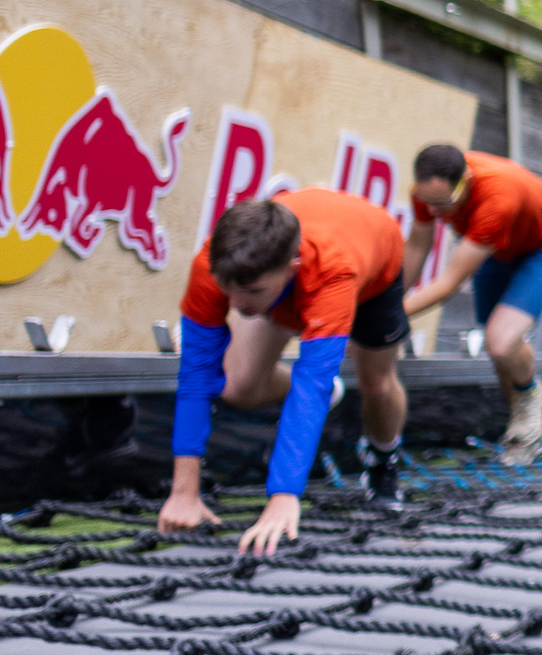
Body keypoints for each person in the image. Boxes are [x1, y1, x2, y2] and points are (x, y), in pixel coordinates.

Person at [158, 189, 415, 557]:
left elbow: (312, 384)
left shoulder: (333, 272)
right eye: (226, 290)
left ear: (290, 269)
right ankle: (335, 398)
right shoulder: (214, 268)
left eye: (249, 291)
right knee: (240, 385)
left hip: (374, 268)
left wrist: (283, 496)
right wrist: (184, 492)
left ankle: (383, 457)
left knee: (375, 384)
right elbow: (197, 374)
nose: (235, 304)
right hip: (287, 287)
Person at [402, 144, 542, 462]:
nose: (433, 212)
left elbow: (448, 284)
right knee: (498, 348)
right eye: (427, 203)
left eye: (444, 204)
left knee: (500, 341)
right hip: (498, 247)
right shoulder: (429, 189)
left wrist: (387, 315)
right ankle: (524, 431)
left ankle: (531, 396)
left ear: (466, 180)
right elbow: (417, 244)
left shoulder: (498, 198)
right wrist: (387, 299)